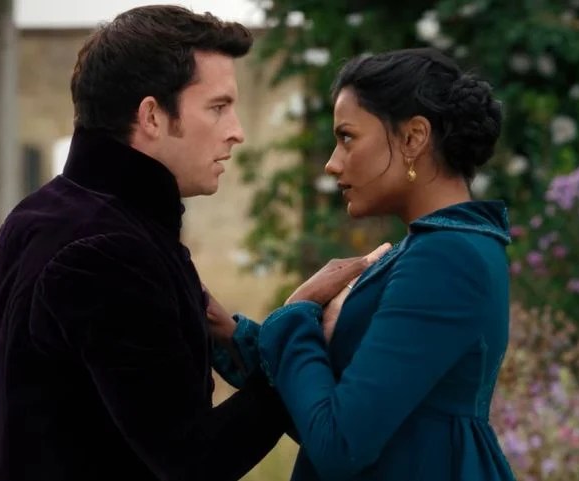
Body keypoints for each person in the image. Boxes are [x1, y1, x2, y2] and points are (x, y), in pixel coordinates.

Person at [0, 6, 381, 480]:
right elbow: (193, 463)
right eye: (218, 107)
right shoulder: (108, 249)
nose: (237, 132)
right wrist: (294, 336)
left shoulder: (43, 214)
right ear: (151, 116)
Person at [208, 48, 517, 480]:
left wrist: (296, 313)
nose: (332, 163)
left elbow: (340, 445)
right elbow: (328, 413)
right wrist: (231, 334)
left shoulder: (445, 257)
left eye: (347, 137)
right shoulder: (445, 246)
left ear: (413, 138)